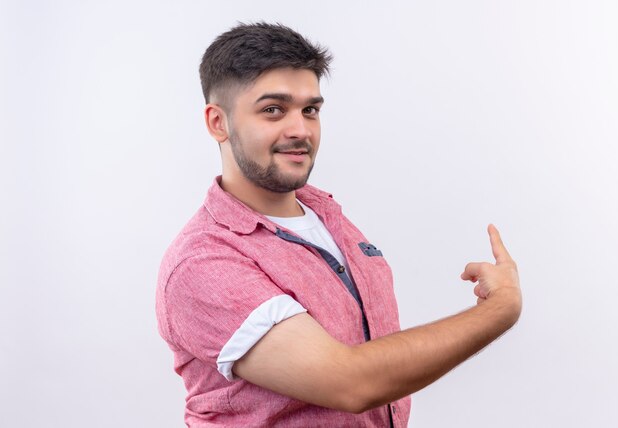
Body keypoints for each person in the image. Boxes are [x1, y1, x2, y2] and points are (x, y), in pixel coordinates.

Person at [156, 22, 522, 428]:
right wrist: (500, 309)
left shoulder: (328, 216)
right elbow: (351, 383)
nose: (300, 130)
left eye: (310, 110)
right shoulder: (203, 262)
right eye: (273, 110)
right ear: (217, 122)